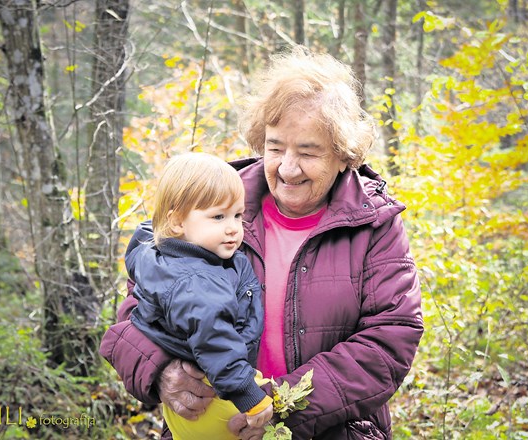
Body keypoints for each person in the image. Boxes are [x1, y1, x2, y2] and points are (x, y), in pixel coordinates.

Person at [100, 45, 424, 440]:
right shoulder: (212, 208)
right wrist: (162, 369)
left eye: (308, 152)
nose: (287, 167)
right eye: (275, 148)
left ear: (344, 156)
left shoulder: (374, 225)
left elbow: (390, 338)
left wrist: (282, 406)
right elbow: (137, 312)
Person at [120, 153, 273, 440]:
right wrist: (248, 393)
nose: (233, 227)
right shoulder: (197, 281)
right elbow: (214, 339)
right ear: (177, 222)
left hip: (186, 412)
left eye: (237, 215)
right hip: (216, 398)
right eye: (218, 216)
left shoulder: (161, 255)